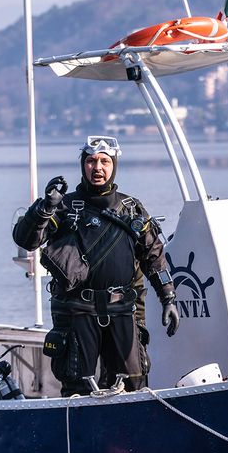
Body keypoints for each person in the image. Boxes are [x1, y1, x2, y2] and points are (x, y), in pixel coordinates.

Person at [12, 135, 179, 396]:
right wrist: (44, 208)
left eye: (104, 161)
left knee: (133, 383)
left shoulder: (131, 209)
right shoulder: (64, 207)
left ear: (113, 165)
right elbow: (26, 240)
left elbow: (153, 255)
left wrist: (168, 296)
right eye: (91, 161)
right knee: (78, 386)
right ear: (83, 166)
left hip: (123, 311)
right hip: (76, 313)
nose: (97, 167)